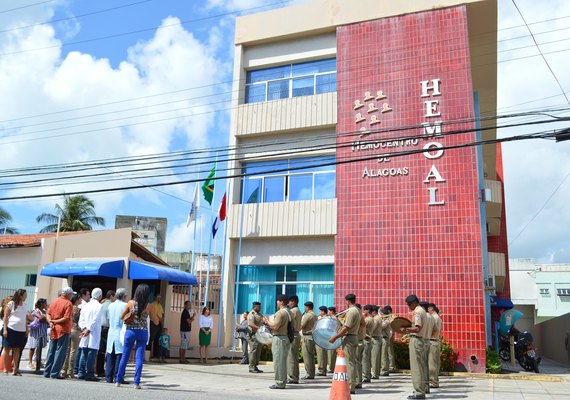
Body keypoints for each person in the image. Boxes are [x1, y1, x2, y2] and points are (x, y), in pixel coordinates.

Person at [116, 283, 158, 389]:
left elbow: (121, 316)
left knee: (125, 356)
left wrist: (130, 314)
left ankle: (118, 380)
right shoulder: (149, 306)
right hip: (143, 332)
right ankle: (136, 382)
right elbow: (156, 322)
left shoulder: (131, 303)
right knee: (139, 358)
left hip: (130, 331)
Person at [329, 294, 360, 395]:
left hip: (350, 337)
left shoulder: (351, 311)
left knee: (349, 362)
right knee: (352, 362)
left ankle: (351, 386)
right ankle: (351, 384)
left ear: (348, 301)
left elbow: (346, 328)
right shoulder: (357, 310)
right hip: (353, 337)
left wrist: (335, 337)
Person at [400, 294, 429, 400]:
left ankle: (419, 393)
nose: (408, 307)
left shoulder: (417, 312)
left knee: (416, 368)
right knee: (420, 367)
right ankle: (421, 389)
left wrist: (406, 329)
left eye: (409, 304)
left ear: (413, 303)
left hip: (416, 340)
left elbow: (417, 328)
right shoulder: (422, 311)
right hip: (421, 341)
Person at [43, 287, 74, 379]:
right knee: (60, 352)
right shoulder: (68, 303)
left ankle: (47, 371)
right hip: (63, 329)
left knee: (51, 351)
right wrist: (55, 321)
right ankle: (55, 372)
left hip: (53, 329)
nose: (72, 296)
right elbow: (66, 318)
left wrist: (51, 322)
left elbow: (48, 314)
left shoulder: (54, 302)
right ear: (68, 294)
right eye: (71, 294)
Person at [263, 294, 292, 389]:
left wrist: (267, 322)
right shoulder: (289, 312)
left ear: (282, 302)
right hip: (286, 337)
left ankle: (279, 383)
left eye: (278, 301)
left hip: (279, 338)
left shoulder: (280, 313)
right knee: (282, 361)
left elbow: (275, 326)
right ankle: (282, 380)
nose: (277, 303)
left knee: (278, 362)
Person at [2, 289, 30, 376]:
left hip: (21, 330)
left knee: (17, 349)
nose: (26, 297)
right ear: (20, 295)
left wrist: (26, 329)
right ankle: (5, 368)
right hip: (11, 328)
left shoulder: (25, 305)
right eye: (24, 295)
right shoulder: (11, 304)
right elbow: (5, 317)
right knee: (7, 348)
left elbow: (25, 318)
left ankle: (15, 369)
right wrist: (5, 329)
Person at [77, 287, 103, 381]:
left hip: (85, 331)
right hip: (93, 332)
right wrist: (89, 329)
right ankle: (89, 374)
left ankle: (81, 372)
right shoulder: (99, 306)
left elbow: (81, 319)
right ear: (100, 296)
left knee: (84, 352)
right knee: (91, 353)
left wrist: (84, 328)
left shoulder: (86, 305)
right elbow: (96, 320)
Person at [105, 288, 127, 384]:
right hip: (120, 331)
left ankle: (108, 377)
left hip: (111, 331)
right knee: (119, 355)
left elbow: (108, 318)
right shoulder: (125, 305)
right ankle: (118, 376)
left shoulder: (111, 305)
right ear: (124, 296)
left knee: (110, 354)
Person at [61, 293, 81, 379]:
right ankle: (70, 371)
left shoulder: (69, 307)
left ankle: (64, 370)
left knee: (67, 350)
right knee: (73, 351)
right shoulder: (78, 309)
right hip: (76, 329)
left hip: (69, 328)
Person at [97, 290, 115, 377]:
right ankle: (105, 370)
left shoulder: (102, 304)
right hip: (107, 328)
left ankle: (99, 369)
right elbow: (109, 318)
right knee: (108, 350)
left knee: (101, 350)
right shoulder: (111, 305)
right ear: (111, 296)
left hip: (100, 327)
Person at [27, 298, 49, 370]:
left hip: (43, 331)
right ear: (41, 304)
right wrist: (46, 317)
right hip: (36, 331)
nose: (46, 304)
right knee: (33, 346)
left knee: (39, 347)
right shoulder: (36, 310)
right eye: (45, 303)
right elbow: (40, 318)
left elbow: (46, 319)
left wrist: (45, 318)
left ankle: (37, 361)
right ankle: (30, 362)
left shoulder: (45, 311)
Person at [287, 295, 302, 384]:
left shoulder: (293, 311)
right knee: (294, 357)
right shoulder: (298, 310)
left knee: (291, 357)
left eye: (290, 301)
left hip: (293, 334)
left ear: (295, 302)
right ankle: (295, 376)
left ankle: (293, 377)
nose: (289, 303)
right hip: (296, 334)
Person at [300, 301, 317, 380]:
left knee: (307, 356)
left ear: (307, 307)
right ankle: (312, 373)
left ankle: (309, 374)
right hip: (312, 336)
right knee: (311, 356)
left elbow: (302, 326)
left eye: (305, 307)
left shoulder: (308, 315)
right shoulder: (315, 315)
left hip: (307, 336)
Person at [428, 304, 442, 389]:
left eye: (428, 308)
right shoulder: (438, 317)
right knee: (436, 363)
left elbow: (433, 330)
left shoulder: (433, 318)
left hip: (432, 341)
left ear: (431, 309)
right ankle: (435, 381)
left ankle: (433, 382)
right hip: (436, 341)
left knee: (432, 363)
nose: (427, 310)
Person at [247, 301, 264, 373]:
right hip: (253, 335)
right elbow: (251, 324)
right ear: (254, 307)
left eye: (260, 307)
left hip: (259, 335)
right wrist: (259, 328)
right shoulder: (252, 314)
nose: (260, 308)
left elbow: (262, 322)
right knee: (253, 351)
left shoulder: (259, 314)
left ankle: (255, 365)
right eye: (258, 307)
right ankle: (251, 366)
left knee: (258, 351)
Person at [362, 304, 375, 383]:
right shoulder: (371, 318)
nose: (364, 312)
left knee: (365, 359)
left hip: (366, 339)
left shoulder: (367, 319)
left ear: (368, 310)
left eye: (365, 310)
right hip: (369, 340)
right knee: (367, 359)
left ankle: (366, 376)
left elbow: (361, 327)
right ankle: (367, 375)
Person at [149, 293, 164, 360]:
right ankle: (148, 353)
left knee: (157, 339)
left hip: (159, 323)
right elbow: (154, 313)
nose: (159, 298)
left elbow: (162, 313)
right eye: (158, 297)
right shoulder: (153, 304)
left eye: (160, 297)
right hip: (154, 323)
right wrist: (159, 319)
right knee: (151, 338)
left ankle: (156, 354)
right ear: (155, 297)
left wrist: (162, 319)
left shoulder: (160, 305)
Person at [355, 303, 366, 389]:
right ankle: (358, 380)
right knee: (358, 362)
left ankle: (358, 381)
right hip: (361, 341)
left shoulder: (358, 320)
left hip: (358, 342)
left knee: (356, 362)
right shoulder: (361, 319)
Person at [315, 305, 328, 376]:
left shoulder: (324, 319)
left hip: (321, 338)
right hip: (324, 338)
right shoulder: (323, 318)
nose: (319, 312)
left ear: (323, 311)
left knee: (321, 354)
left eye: (320, 311)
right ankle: (323, 369)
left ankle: (321, 370)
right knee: (323, 354)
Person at [384, 305, 396, 372]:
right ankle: (388, 366)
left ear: (389, 311)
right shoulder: (388, 317)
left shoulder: (392, 317)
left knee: (390, 352)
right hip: (389, 335)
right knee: (386, 352)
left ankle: (391, 367)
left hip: (390, 335)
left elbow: (391, 324)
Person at [326, 306, 338, 372]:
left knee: (331, 353)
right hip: (332, 336)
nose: (328, 312)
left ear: (331, 311)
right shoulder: (333, 318)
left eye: (328, 311)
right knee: (331, 353)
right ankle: (331, 367)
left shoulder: (333, 319)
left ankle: (331, 368)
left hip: (332, 336)